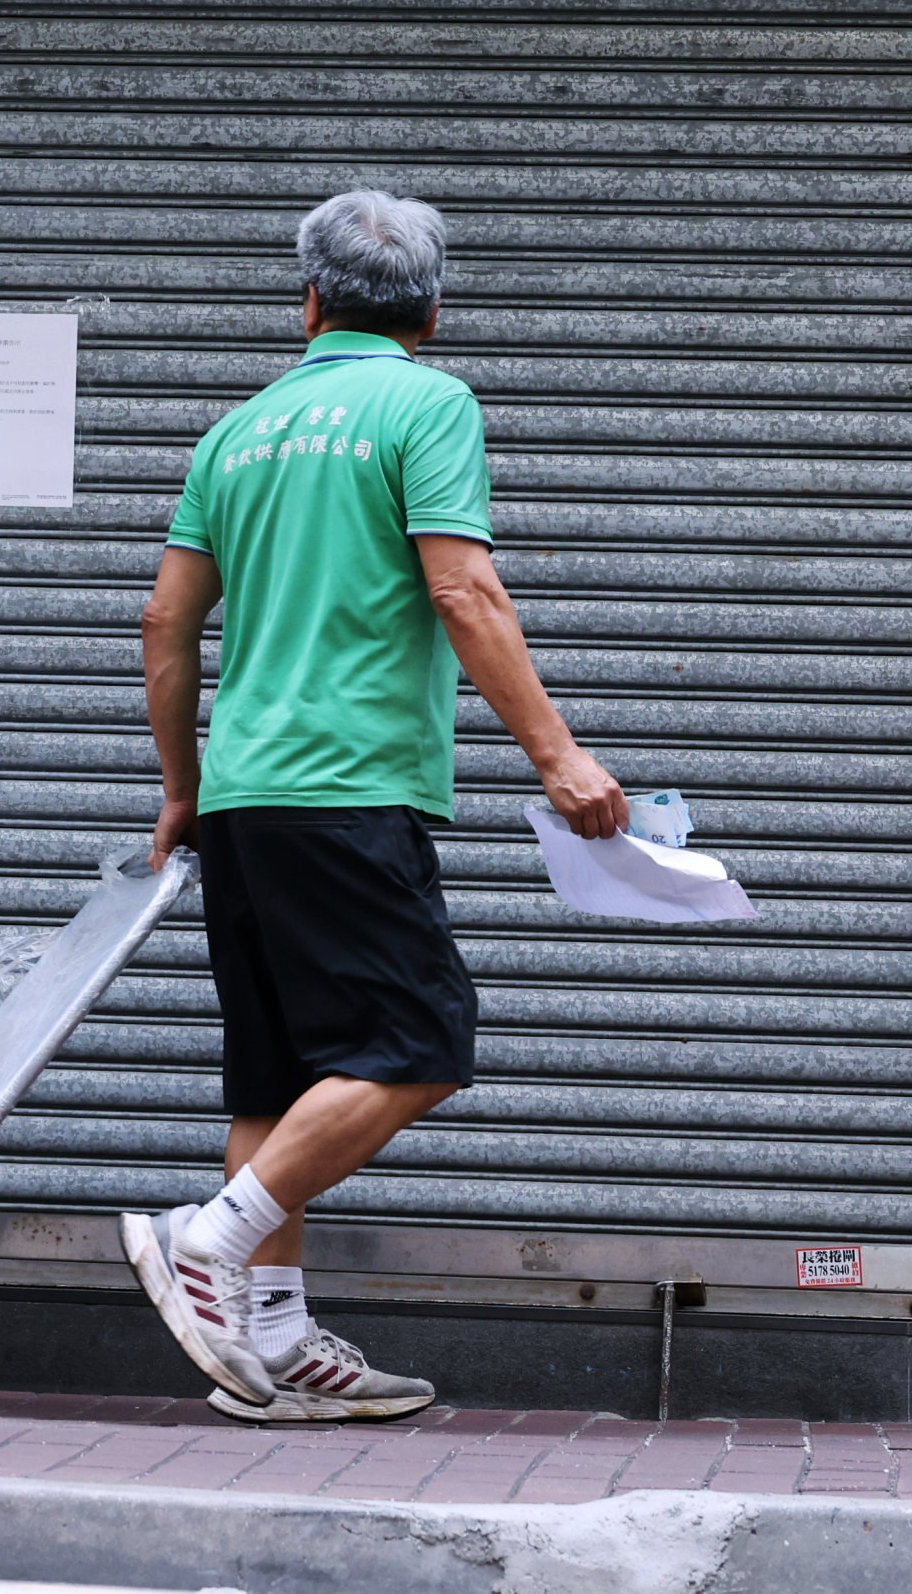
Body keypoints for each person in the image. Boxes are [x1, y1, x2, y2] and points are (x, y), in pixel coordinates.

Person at [120, 188, 625, 1422]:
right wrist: (558, 756)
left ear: (307, 302)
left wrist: (184, 786)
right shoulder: (428, 401)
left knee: (277, 1079)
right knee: (417, 1040)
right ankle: (211, 1241)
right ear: (432, 312)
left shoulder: (234, 432)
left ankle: (277, 1344)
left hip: (243, 791)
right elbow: (464, 591)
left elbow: (164, 628)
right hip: (348, 784)